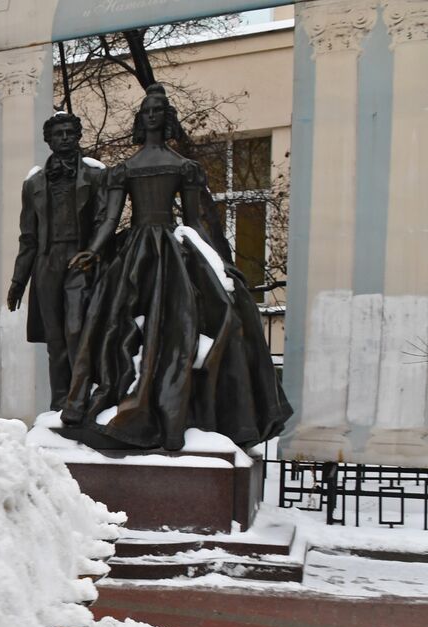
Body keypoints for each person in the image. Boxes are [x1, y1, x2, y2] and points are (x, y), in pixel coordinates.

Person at [62, 84, 291, 451]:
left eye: (158, 111)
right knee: (113, 324)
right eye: (147, 111)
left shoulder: (184, 167)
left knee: (187, 320)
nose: (152, 116)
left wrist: (219, 262)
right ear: (141, 119)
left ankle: (179, 409)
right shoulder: (124, 170)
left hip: (172, 247)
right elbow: (110, 221)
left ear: (167, 119)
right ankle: (106, 399)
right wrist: (92, 251)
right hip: (136, 249)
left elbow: (197, 221)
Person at [7, 112, 107, 410]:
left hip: (81, 260)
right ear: (48, 140)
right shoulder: (34, 183)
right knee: (55, 340)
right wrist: (18, 281)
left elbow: (104, 220)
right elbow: (28, 237)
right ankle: (61, 403)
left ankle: (82, 399)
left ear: (78, 136)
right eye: (58, 134)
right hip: (47, 263)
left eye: (69, 132)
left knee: (77, 331)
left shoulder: (95, 175)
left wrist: (94, 252)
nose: (64, 138)